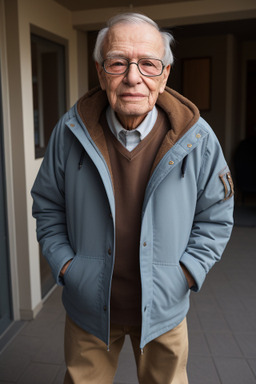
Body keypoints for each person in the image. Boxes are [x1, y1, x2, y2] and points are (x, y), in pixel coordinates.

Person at [31, 12, 234, 384]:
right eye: (118, 62)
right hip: (88, 308)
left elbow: (217, 215)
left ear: (165, 73)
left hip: (165, 309)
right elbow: (47, 205)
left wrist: (187, 273)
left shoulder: (198, 139)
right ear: (100, 70)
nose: (133, 77)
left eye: (148, 63)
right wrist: (66, 267)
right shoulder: (69, 130)